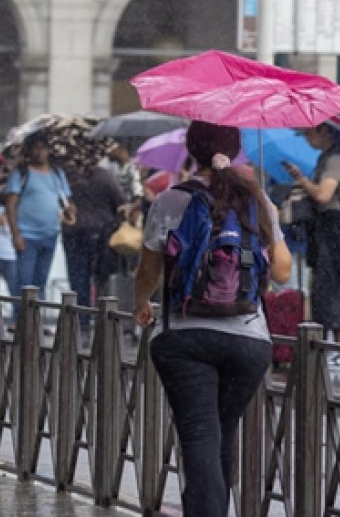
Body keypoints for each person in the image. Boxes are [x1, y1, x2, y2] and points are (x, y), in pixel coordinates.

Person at [132, 121, 292, 516]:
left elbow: (148, 270)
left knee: (200, 434)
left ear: (193, 150)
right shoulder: (258, 201)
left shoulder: (171, 200)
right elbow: (284, 271)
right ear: (235, 150)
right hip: (249, 341)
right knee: (221, 433)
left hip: (184, 337)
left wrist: (141, 303)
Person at [284, 123, 340, 362]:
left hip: (336, 229)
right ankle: (327, 345)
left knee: (334, 286)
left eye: (309, 133)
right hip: (323, 229)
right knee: (322, 290)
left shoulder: (337, 159)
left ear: (323, 131)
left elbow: (323, 194)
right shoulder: (325, 158)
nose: (307, 138)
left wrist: (301, 179)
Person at [5, 133, 76, 299]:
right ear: (29, 151)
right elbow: (10, 205)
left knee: (41, 282)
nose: (40, 151)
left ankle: (37, 321)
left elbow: (66, 200)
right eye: (35, 147)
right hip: (26, 236)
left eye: (43, 147)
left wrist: (70, 210)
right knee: (24, 282)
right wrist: (16, 235)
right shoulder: (21, 173)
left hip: (50, 234)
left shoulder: (57, 174)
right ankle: (19, 321)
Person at [60, 164, 124, 318]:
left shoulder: (65, 177)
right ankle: (102, 317)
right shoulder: (104, 176)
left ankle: (82, 319)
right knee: (102, 277)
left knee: (78, 279)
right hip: (101, 232)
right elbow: (120, 201)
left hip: (74, 232)